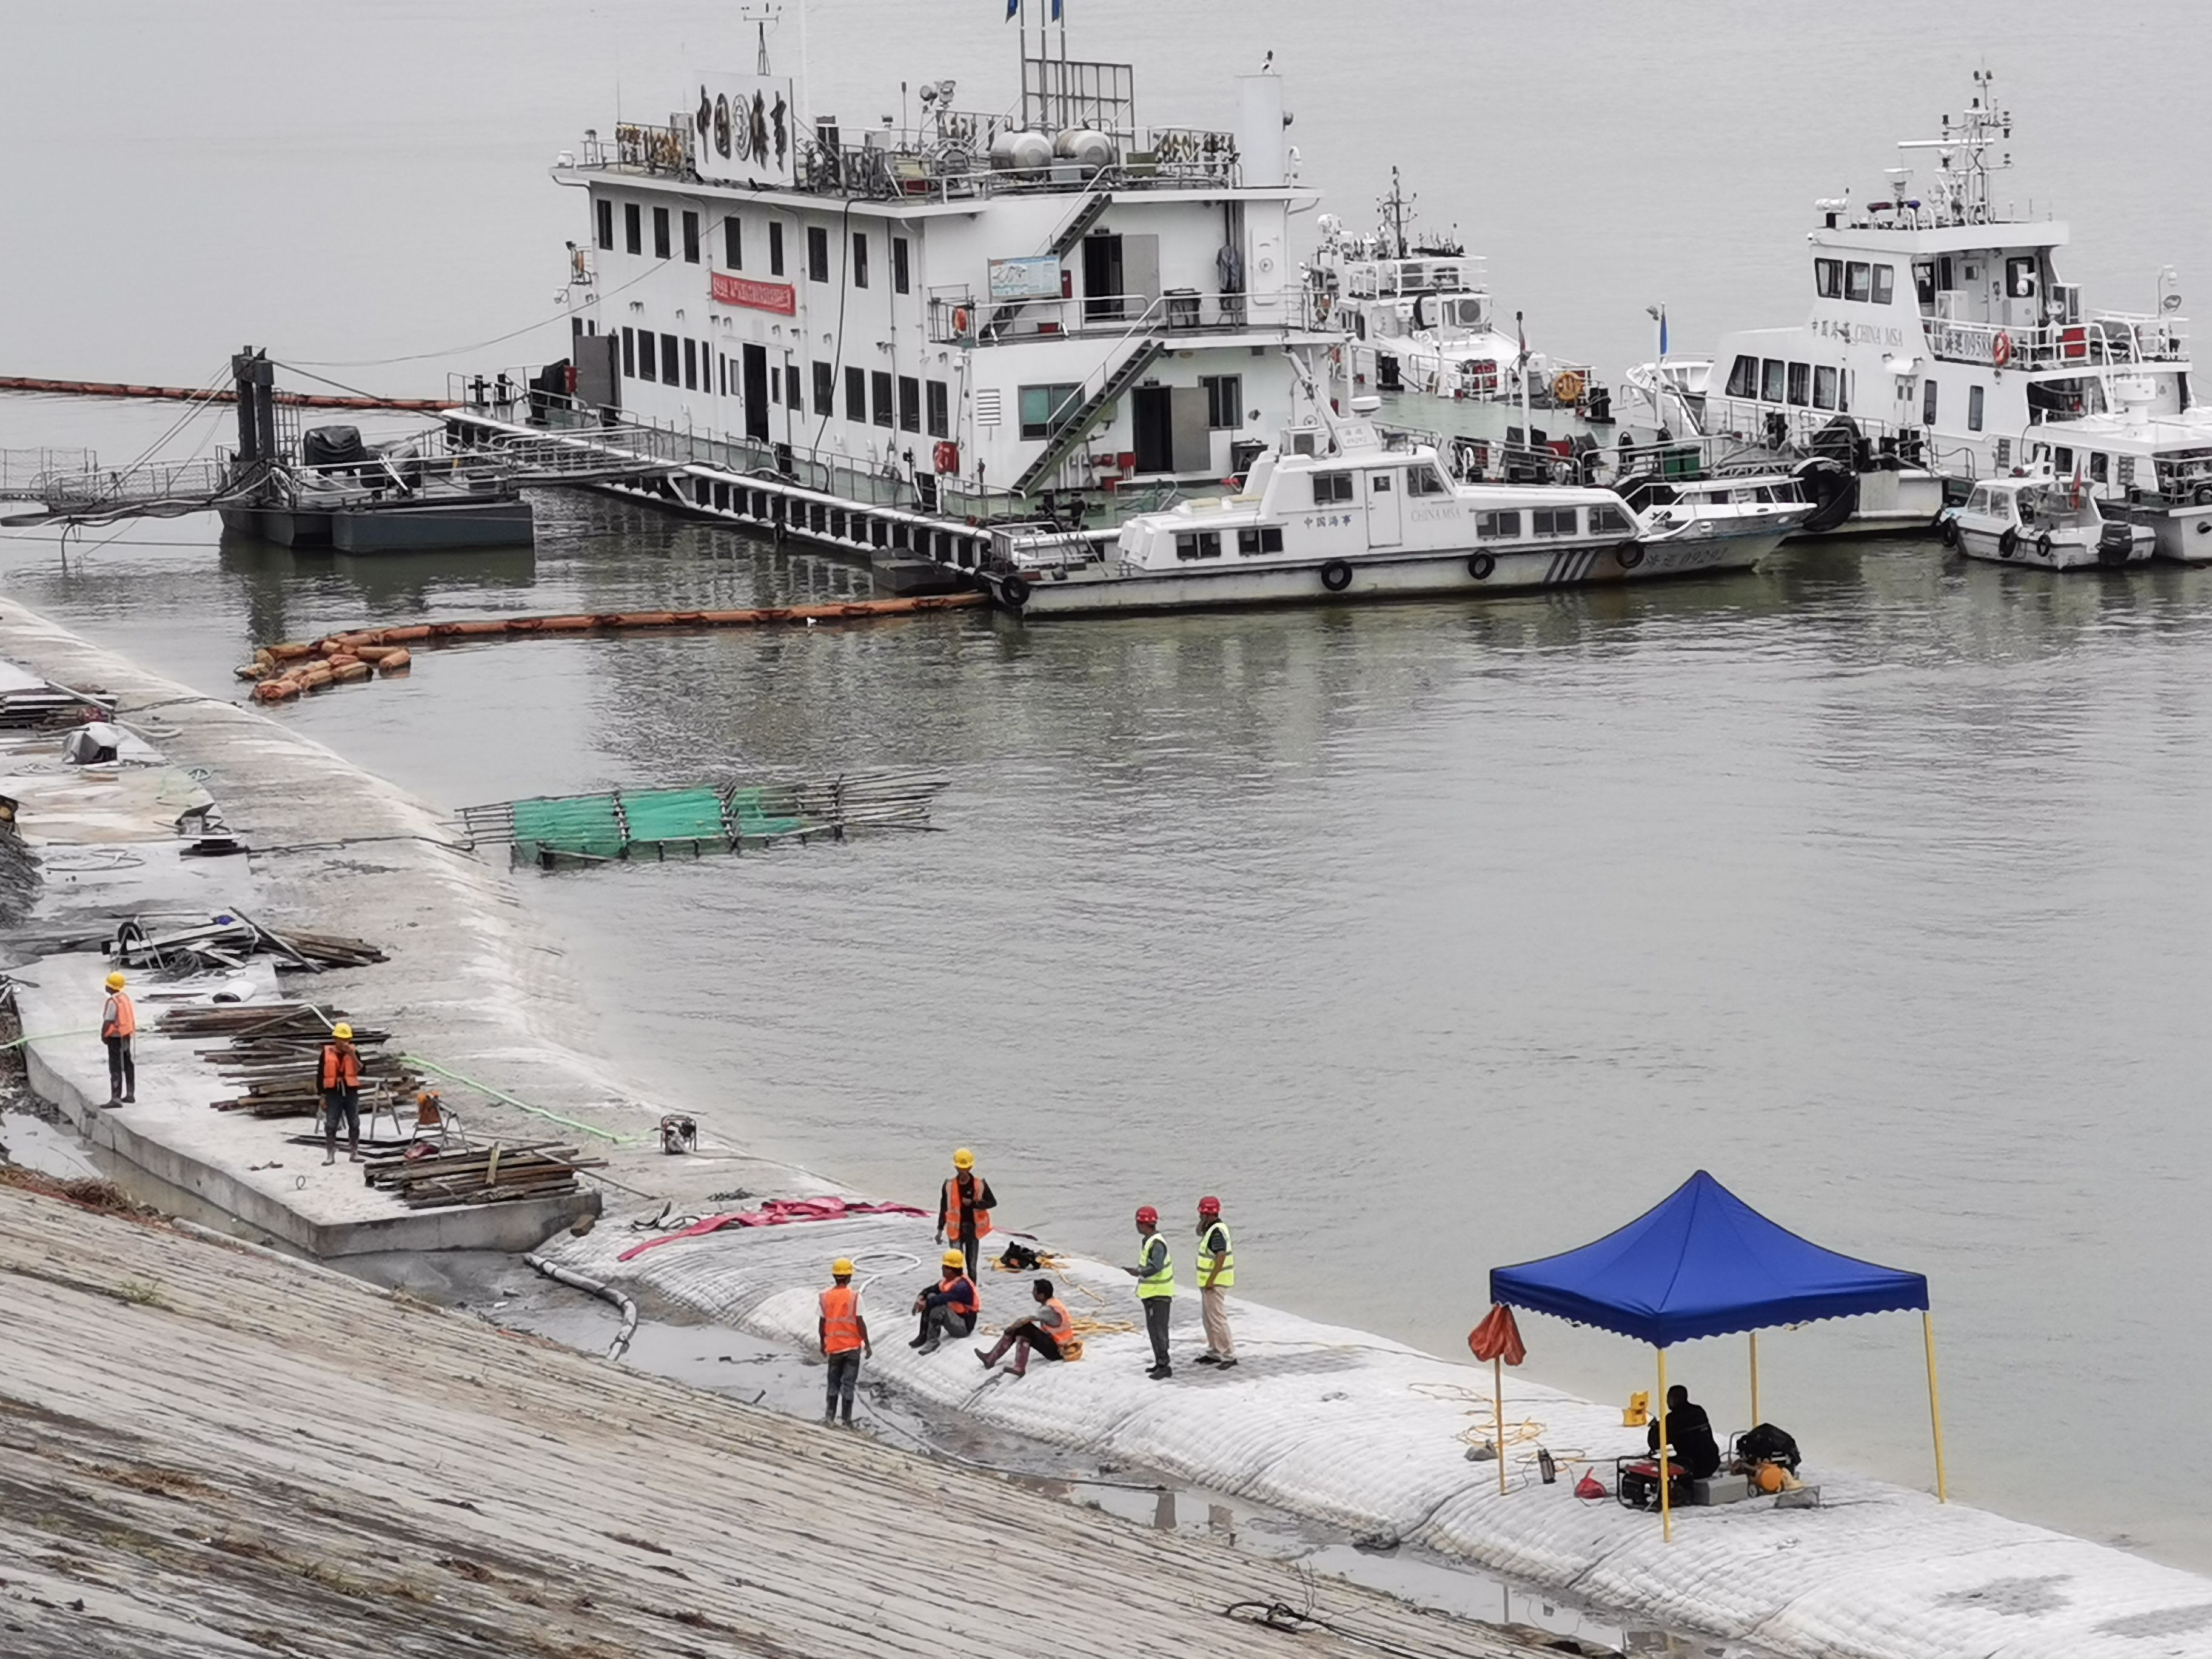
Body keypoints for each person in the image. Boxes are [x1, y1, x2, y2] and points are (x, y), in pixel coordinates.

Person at [974, 1278, 1073, 1378]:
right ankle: (1011, 1365)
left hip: (1058, 1350)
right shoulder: (1054, 1303)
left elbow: (1025, 1319)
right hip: (1059, 1346)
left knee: (1024, 1328)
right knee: (1023, 1330)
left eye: (1034, 1291)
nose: (1032, 1293)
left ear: (1042, 1295)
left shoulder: (1047, 1309)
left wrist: (1011, 1328)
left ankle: (999, 1360)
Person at [817, 1257, 871, 1427]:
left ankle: (829, 1418)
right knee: (848, 1384)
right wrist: (867, 1344)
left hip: (834, 1348)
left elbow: (822, 1323)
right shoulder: (855, 1297)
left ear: (834, 1276)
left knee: (833, 1384)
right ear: (849, 1277)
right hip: (852, 1349)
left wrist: (822, 1343)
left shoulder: (825, 1296)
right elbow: (860, 1322)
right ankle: (846, 1422)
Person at [1124, 1205, 1175, 1379]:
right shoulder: (1149, 1241)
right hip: (1152, 1293)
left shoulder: (1157, 1244)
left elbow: (1157, 1266)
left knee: (1159, 1330)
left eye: (1138, 1223)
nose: (1137, 1226)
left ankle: (1164, 1365)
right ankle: (1159, 1362)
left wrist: (1139, 1272)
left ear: (1143, 1224)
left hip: (1159, 1294)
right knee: (1154, 1330)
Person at [936, 1148, 997, 1281]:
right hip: (955, 1232)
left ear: (970, 1167)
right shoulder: (949, 1185)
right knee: (956, 1267)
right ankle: (956, 1291)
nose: (962, 1171)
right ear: (956, 1167)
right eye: (960, 1168)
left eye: (965, 1168)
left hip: (973, 1231)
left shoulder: (979, 1185)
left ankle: (971, 1293)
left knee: (972, 1268)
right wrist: (940, 1229)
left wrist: (974, 1203)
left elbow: (992, 1202)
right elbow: (944, 1208)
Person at [1194, 1195, 1236, 1368]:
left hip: (1215, 1283)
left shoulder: (1217, 1232)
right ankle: (1215, 1351)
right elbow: (1198, 1232)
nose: (1199, 1216)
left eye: (1201, 1213)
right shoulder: (1211, 1228)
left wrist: (1211, 1280)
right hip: (1209, 1283)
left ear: (1206, 1214)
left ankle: (1229, 1355)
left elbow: (1220, 1257)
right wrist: (1203, 1221)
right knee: (1209, 1319)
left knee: (1217, 1319)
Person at [910, 1248, 979, 1354]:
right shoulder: (950, 1281)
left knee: (938, 1306)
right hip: (956, 1317)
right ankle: (923, 1335)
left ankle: (933, 1341)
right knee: (931, 1296)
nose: (942, 1268)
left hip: (963, 1326)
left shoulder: (962, 1287)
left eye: (944, 1266)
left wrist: (925, 1304)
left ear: (950, 1270)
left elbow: (943, 1299)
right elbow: (932, 1289)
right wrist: (921, 1297)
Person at [1647, 1383, 1721, 1480]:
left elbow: (1655, 1444)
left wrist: (1655, 1427)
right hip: (1713, 1462)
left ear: (1672, 1400)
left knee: (1658, 1465)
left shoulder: (1672, 1419)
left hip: (1694, 1467)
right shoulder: (1699, 1411)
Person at [319, 1022, 363, 1166]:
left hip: (350, 1092)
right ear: (335, 1039)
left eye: (347, 1039)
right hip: (333, 1093)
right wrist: (322, 1096)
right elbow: (320, 1075)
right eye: (342, 1039)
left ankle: (354, 1153)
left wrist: (352, 1054)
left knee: (354, 1123)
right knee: (331, 1125)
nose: (345, 1042)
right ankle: (330, 1155)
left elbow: (362, 1070)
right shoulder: (326, 1053)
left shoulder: (353, 1051)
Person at [98, 971, 135, 1107]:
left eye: (107, 986)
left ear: (111, 987)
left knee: (115, 1067)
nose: (105, 988)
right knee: (128, 1064)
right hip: (126, 1036)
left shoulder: (113, 1002)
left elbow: (108, 1021)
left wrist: (104, 1035)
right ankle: (130, 1094)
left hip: (115, 1038)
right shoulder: (125, 998)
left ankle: (116, 1099)